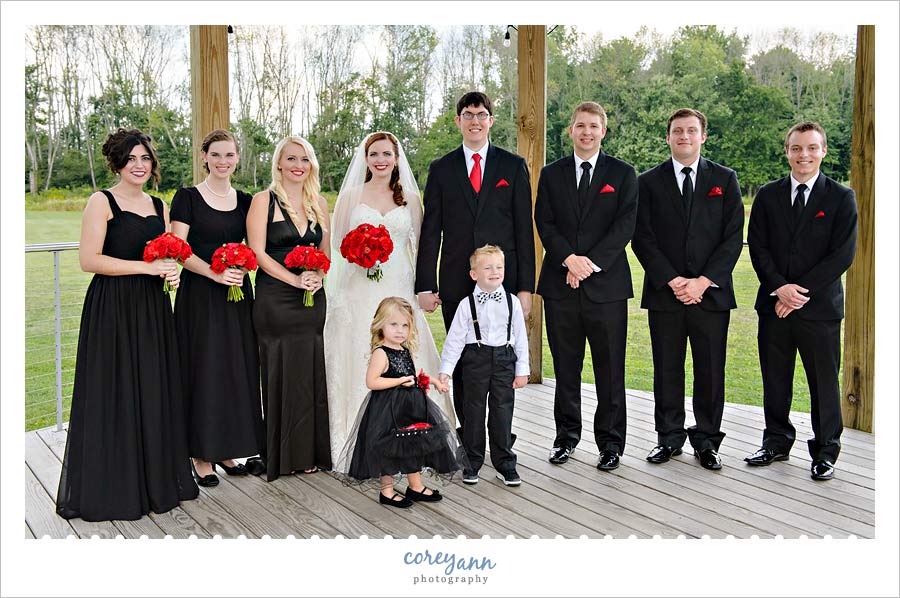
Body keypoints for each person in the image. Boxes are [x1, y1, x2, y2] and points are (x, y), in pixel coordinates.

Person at [56, 128, 198, 521]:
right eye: (131, 159)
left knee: (152, 388)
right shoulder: (100, 201)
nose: (139, 165)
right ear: (117, 163)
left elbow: (171, 253)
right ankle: (116, 485)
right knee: (114, 389)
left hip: (151, 309)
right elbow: (90, 260)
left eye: (145, 158)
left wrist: (172, 272)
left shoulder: (159, 205)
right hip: (112, 308)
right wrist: (146, 267)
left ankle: (154, 482)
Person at [325, 131, 455, 469]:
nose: (381, 160)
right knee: (358, 351)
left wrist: (423, 289)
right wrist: (359, 255)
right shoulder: (351, 197)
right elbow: (338, 247)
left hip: (397, 283)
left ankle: (413, 435)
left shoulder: (410, 199)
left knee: (405, 351)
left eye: (387, 154)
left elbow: (420, 247)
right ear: (365, 160)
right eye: (374, 154)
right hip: (358, 287)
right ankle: (356, 435)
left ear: (397, 158)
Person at [632, 108, 744, 471]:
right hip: (666, 293)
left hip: (710, 294)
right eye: (677, 131)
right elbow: (642, 237)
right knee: (667, 369)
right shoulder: (647, 181)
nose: (684, 136)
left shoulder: (724, 180)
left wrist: (702, 281)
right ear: (668, 137)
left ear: (703, 136)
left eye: (691, 131)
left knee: (710, 371)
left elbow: (732, 237)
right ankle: (668, 438)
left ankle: (708, 442)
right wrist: (673, 280)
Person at [415, 91, 535, 428]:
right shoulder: (441, 169)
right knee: (464, 358)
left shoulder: (512, 166)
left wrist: (525, 288)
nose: (475, 121)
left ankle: (501, 437)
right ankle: (470, 437)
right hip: (456, 279)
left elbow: (524, 229)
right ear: (458, 121)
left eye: (481, 115)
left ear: (491, 120)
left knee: (500, 364)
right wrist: (426, 284)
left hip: (501, 280)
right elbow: (430, 230)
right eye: (468, 115)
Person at [745, 122, 857, 481]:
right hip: (774, 306)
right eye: (796, 148)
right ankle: (776, 441)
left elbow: (842, 255)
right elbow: (758, 247)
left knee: (823, 382)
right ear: (787, 152)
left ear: (823, 150)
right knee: (775, 378)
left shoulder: (841, 197)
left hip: (819, 310)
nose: (803, 155)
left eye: (811, 148)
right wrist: (780, 288)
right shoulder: (767, 194)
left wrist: (797, 293)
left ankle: (825, 450)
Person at [535, 101, 637, 472]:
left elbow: (624, 226)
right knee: (566, 368)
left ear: (603, 131)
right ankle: (566, 438)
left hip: (606, 288)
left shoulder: (623, 174)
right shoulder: (551, 174)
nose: (587, 132)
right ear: (571, 130)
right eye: (580, 125)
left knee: (610, 370)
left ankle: (611, 444)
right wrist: (569, 260)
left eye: (594, 126)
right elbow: (544, 221)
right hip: (561, 285)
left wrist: (588, 264)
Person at [171, 129, 265, 487]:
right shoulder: (188, 197)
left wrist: (241, 267)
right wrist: (214, 272)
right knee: (204, 369)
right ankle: (200, 455)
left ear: (237, 158)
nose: (223, 161)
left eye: (229, 155)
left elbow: (255, 244)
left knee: (235, 370)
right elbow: (178, 248)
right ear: (205, 157)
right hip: (201, 295)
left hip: (238, 296)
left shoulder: (245, 200)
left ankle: (226, 449)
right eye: (216, 155)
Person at [247, 135, 332, 481]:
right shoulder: (262, 201)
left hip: (311, 299)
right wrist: (293, 280)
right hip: (275, 298)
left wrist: (316, 275)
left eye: (305, 159)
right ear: (279, 164)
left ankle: (308, 452)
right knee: (279, 370)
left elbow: (326, 253)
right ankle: (279, 456)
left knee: (309, 371)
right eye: (291, 159)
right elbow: (257, 253)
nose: (298, 166)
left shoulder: (320, 204)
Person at [335, 297, 466, 508]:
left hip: (410, 408)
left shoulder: (404, 350)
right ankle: (386, 491)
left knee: (412, 444)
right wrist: (398, 381)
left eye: (405, 325)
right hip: (388, 409)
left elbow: (413, 375)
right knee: (389, 447)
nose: (400, 330)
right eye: (393, 324)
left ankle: (415, 486)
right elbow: (372, 381)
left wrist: (432, 381)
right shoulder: (381, 353)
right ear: (380, 325)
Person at [438, 245, 530, 486]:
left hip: (504, 361)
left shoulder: (512, 302)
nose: (494, 271)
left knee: (502, 413)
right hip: (475, 360)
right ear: (474, 274)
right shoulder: (466, 305)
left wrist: (522, 371)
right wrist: (446, 371)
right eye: (487, 267)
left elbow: (520, 338)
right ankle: (472, 462)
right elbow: (454, 341)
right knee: (474, 412)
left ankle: (505, 463)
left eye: (499, 267)